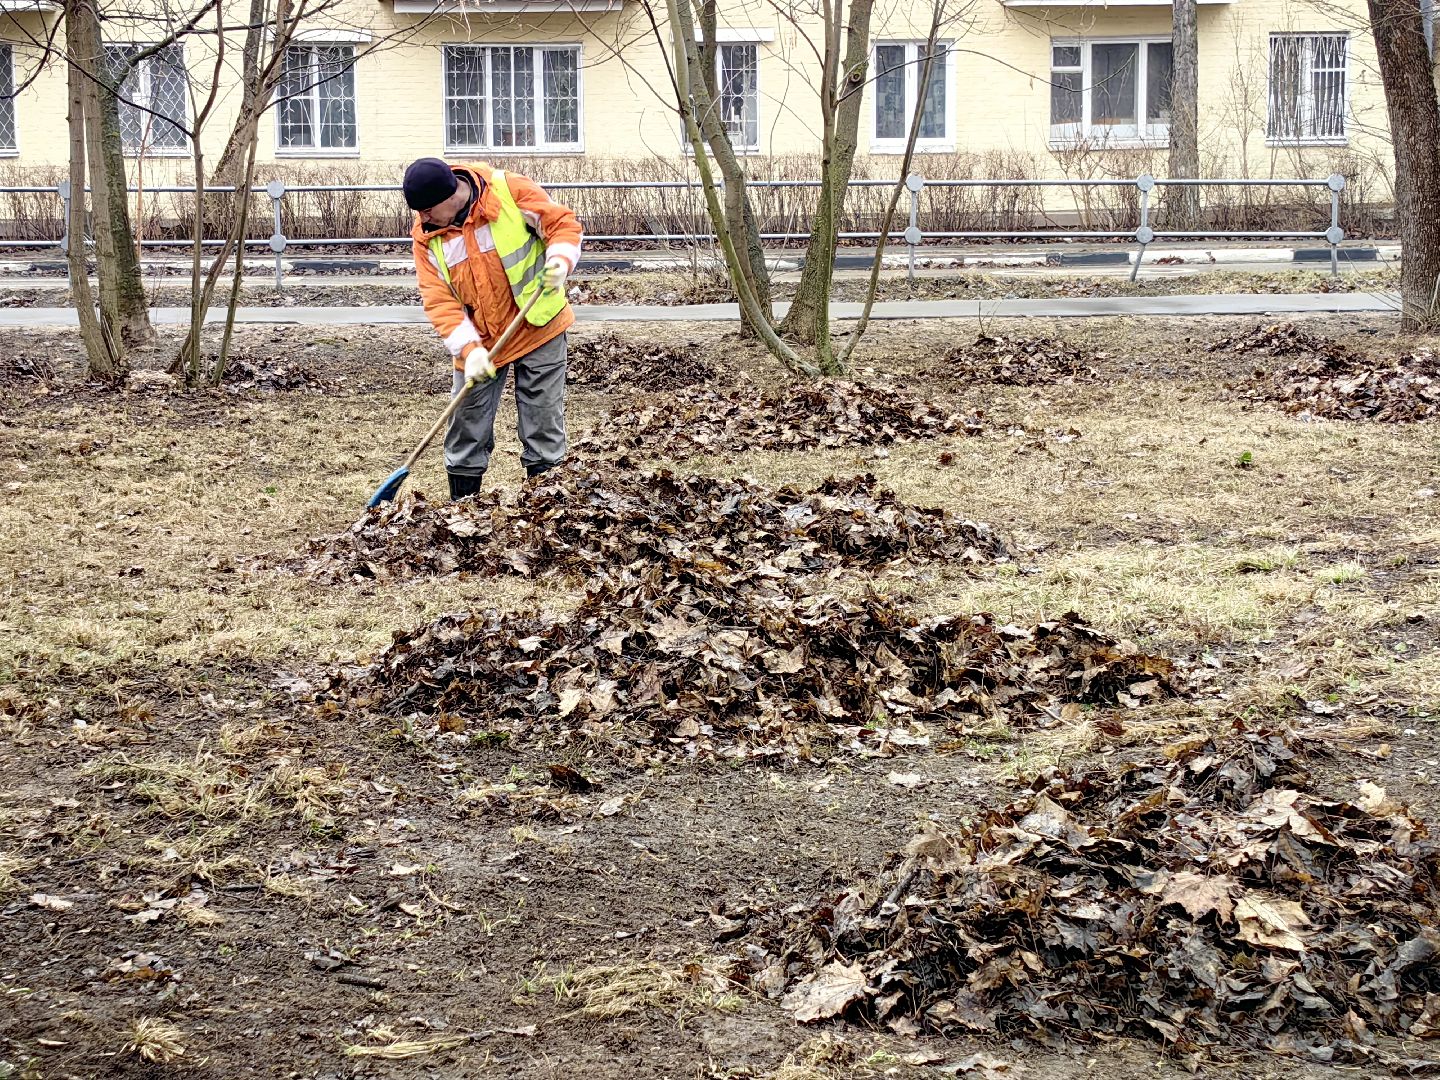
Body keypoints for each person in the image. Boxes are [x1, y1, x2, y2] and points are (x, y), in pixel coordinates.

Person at [403, 157, 583, 499]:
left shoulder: (508, 191)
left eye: (427, 210)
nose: (422, 218)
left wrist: (560, 259)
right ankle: (463, 509)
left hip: (538, 326)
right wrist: (469, 351)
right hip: (482, 342)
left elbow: (561, 224)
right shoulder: (427, 237)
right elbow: (439, 300)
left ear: (451, 195)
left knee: (543, 422)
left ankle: (547, 507)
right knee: (466, 424)